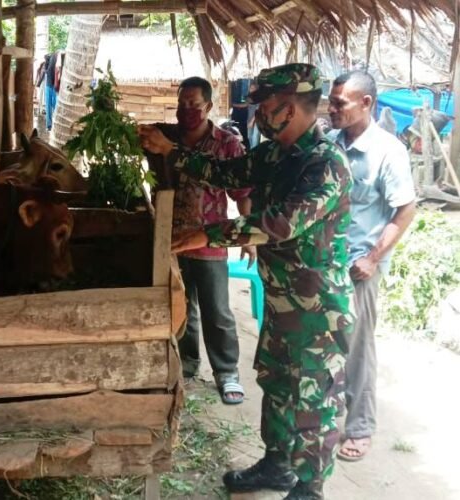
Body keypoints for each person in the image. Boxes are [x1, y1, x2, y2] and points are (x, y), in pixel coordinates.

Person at [139, 63, 355, 500]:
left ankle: (310, 488)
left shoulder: (324, 163)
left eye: (264, 106)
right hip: (282, 299)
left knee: (313, 399)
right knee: (276, 383)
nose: (257, 115)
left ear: (289, 108)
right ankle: (277, 465)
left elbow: (281, 223)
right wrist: (172, 152)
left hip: (317, 308)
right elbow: (227, 173)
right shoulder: (275, 154)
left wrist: (210, 234)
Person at [146, 76, 252, 405]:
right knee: (182, 307)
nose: (186, 110)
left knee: (217, 310)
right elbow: (132, 134)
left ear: (208, 106)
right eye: (181, 104)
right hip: (171, 240)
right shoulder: (165, 136)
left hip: (210, 242)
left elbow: (242, 192)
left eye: (193, 104)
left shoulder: (226, 144)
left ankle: (226, 371)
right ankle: (188, 364)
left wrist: (248, 235)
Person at [327, 71, 416, 462]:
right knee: (326, 343)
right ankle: (328, 415)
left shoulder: (387, 151)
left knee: (358, 347)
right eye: (331, 102)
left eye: (340, 103)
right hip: (326, 263)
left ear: (366, 103)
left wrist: (372, 258)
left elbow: (405, 210)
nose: (331, 109)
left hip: (359, 267)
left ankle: (360, 427)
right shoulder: (331, 144)